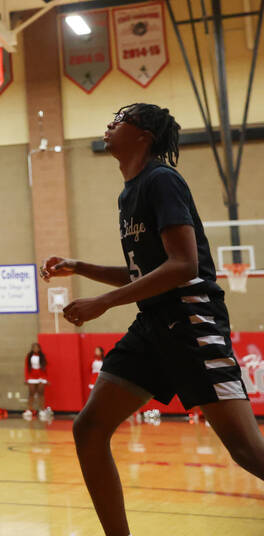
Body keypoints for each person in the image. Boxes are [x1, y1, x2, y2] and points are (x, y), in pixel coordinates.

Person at [42, 102, 264, 536]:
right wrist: (80, 266)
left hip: (191, 321)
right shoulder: (129, 193)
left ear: (143, 134)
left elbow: (183, 266)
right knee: (89, 429)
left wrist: (104, 302)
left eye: (119, 120)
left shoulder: (161, 181)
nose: (109, 124)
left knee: (247, 451)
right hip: (153, 325)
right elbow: (144, 272)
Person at [23, 342, 48, 419]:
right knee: (31, 394)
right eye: (34, 347)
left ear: (39, 348)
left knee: (41, 394)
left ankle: (42, 410)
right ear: (32, 348)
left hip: (41, 377)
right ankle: (29, 410)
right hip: (32, 377)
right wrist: (27, 378)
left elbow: (45, 368)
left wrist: (45, 378)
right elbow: (26, 368)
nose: (35, 349)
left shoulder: (42, 356)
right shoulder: (29, 356)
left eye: (37, 347)